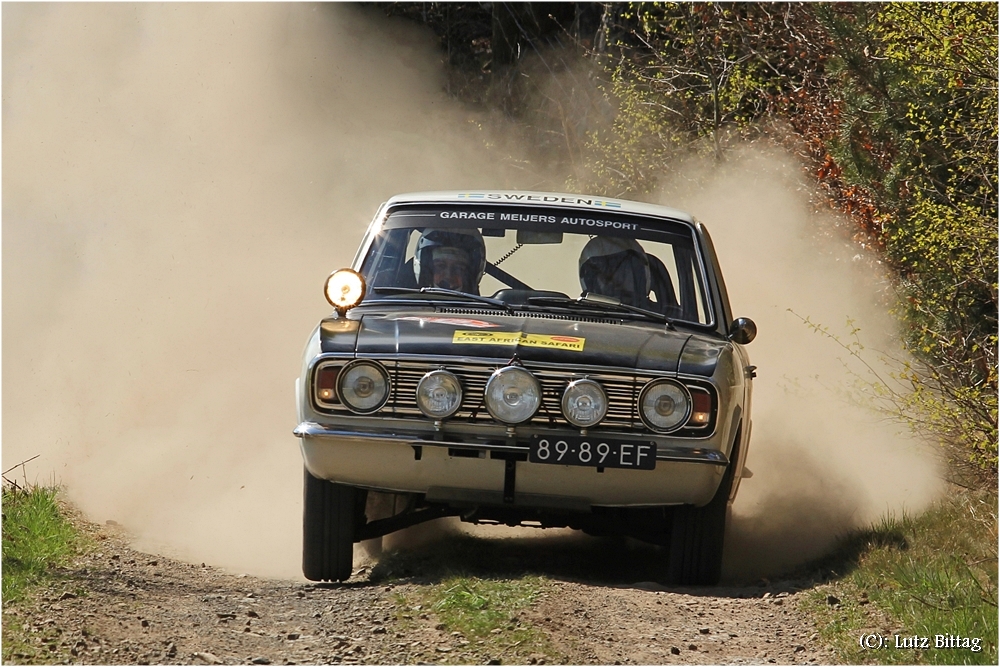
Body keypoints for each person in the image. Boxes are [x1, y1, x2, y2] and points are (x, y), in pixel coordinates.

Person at [578, 236, 651, 308]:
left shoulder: (655, 316)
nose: (616, 282)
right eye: (606, 275)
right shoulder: (579, 314)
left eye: (624, 272)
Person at [412, 228, 487, 294]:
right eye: (440, 266)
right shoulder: (407, 308)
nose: (448, 276)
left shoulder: (486, 308)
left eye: (459, 268)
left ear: (471, 273)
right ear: (426, 270)